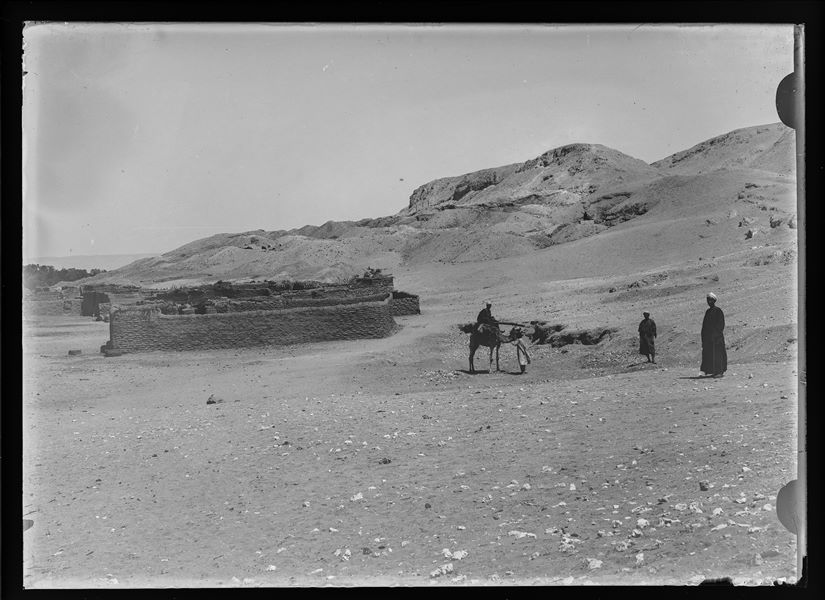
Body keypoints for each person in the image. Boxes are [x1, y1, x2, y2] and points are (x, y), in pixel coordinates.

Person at [701, 292, 727, 377]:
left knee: (718, 354)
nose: (709, 301)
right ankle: (713, 371)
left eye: (710, 300)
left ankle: (719, 371)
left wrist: (715, 335)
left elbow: (721, 324)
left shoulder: (718, 311)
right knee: (710, 354)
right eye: (708, 300)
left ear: (714, 300)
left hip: (717, 338)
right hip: (709, 338)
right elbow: (705, 325)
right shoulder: (708, 312)